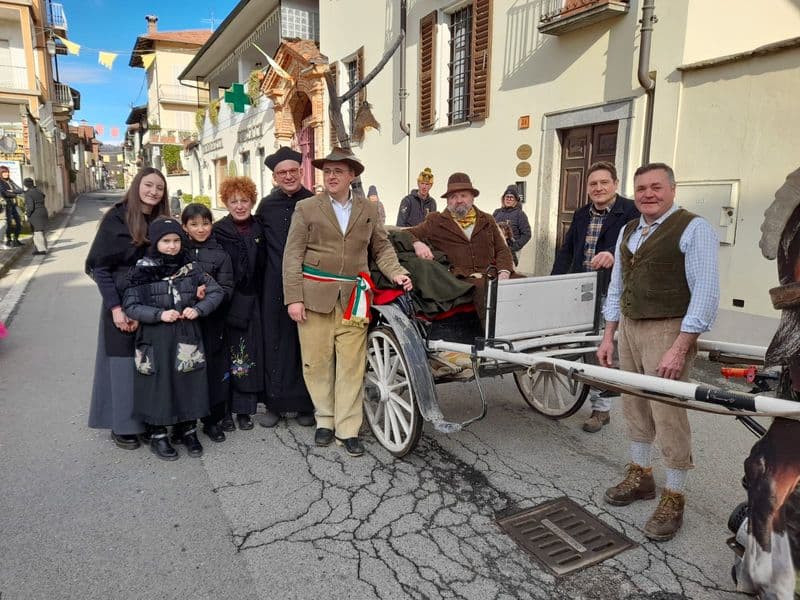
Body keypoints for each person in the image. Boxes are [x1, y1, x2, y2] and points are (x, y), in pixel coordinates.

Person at [596, 162, 719, 542]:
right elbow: (617, 284)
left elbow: (706, 291)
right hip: (630, 327)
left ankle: (675, 494)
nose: (648, 194)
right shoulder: (629, 230)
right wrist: (608, 334)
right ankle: (641, 475)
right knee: (634, 403)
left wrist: (680, 346)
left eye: (656, 187)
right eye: (642, 188)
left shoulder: (693, 228)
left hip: (668, 328)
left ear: (672, 190)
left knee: (667, 411)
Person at [283, 148, 412, 457]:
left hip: (355, 299)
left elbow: (381, 248)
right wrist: (294, 299)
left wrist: (397, 273)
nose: (331, 176)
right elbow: (293, 255)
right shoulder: (306, 208)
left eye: (338, 171)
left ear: (352, 176)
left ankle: (348, 429)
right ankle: (325, 421)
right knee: (317, 364)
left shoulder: (368, 209)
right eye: (327, 171)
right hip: (314, 299)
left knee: (352, 367)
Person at [123, 217, 225, 460]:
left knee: (188, 379)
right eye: (166, 241)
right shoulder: (141, 270)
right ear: (155, 242)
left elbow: (216, 291)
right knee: (158, 383)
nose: (172, 246)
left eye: (176, 240)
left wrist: (199, 309)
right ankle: (158, 434)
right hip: (154, 337)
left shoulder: (191, 268)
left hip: (186, 334)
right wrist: (158, 314)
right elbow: (131, 305)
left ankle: (187, 430)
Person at [85, 167, 171, 450]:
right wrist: (116, 308)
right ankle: (122, 425)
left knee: (147, 363)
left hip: (151, 301)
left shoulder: (161, 220)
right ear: (137, 186)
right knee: (121, 364)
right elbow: (100, 267)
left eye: (159, 187)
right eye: (148, 185)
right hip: (120, 300)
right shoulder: (117, 217)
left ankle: (146, 421)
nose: (153, 192)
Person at [551, 161, 639, 433]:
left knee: (602, 346)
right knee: (584, 345)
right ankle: (596, 393)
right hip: (582, 289)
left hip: (612, 290)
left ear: (615, 184)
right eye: (593, 184)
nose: (598, 188)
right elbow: (567, 251)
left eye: (604, 182)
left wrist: (615, 253)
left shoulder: (631, 211)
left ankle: (601, 409)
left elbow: (638, 242)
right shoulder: (580, 215)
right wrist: (554, 284)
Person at [255, 146, 316, 429]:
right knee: (275, 343)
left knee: (305, 344)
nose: (289, 176)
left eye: (293, 171)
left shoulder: (315, 203)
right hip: (273, 285)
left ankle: (305, 403)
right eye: (282, 173)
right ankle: (275, 404)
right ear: (275, 177)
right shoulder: (266, 206)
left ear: (301, 171)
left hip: (307, 284)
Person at [406, 172, 515, 320]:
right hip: (459, 279)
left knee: (526, 283)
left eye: (463, 195)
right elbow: (408, 233)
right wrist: (417, 243)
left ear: (472, 197)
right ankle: (493, 338)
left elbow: (502, 249)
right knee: (485, 289)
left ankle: (535, 335)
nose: (459, 201)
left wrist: (504, 272)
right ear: (448, 201)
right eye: (453, 197)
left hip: (492, 273)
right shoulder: (436, 221)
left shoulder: (487, 220)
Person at [213, 176, 266, 432]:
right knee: (226, 354)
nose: (240, 205)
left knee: (247, 353)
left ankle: (244, 409)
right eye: (233, 201)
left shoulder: (260, 229)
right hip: (226, 301)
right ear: (226, 203)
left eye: (244, 200)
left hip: (253, 301)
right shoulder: (219, 231)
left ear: (252, 201)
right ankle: (224, 410)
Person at [181, 203, 235, 443]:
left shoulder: (221, 254)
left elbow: (226, 289)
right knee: (187, 370)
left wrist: (207, 301)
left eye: (205, 223)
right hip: (183, 323)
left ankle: (212, 421)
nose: (200, 229)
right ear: (185, 227)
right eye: (194, 224)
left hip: (212, 321)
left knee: (213, 370)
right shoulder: (177, 251)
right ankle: (185, 422)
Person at [492, 185, 531, 266]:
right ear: (503, 199)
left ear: (515, 200)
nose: (508, 199)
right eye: (507, 197)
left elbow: (527, 234)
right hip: (496, 249)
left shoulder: (520, 214)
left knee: (509, 273)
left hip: (512, 250)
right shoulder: (497, 212)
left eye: (511, 197)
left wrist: (514, 247)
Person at [23, 178, 48, 256]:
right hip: (43, 211)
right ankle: (41, 248)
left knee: (37, 232)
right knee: (41, 231)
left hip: (35, 214)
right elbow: (44, 196)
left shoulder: (28, 194)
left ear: (25, 185)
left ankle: (41, 250)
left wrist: (27, 214)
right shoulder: (38, 190)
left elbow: (30, 206)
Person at [0, 166, 23, 247]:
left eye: (7, 172)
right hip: (7, 205)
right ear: (1, 173)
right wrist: (14, 194)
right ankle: (8, 240)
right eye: (4, 172)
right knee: (8, 224)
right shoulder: (1, 182)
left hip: (14, 205)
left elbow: (20, 189)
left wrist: (12, 191)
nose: (6, 174)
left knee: (19, 222)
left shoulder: (10, 181)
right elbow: (4, 193)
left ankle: (16, 239)